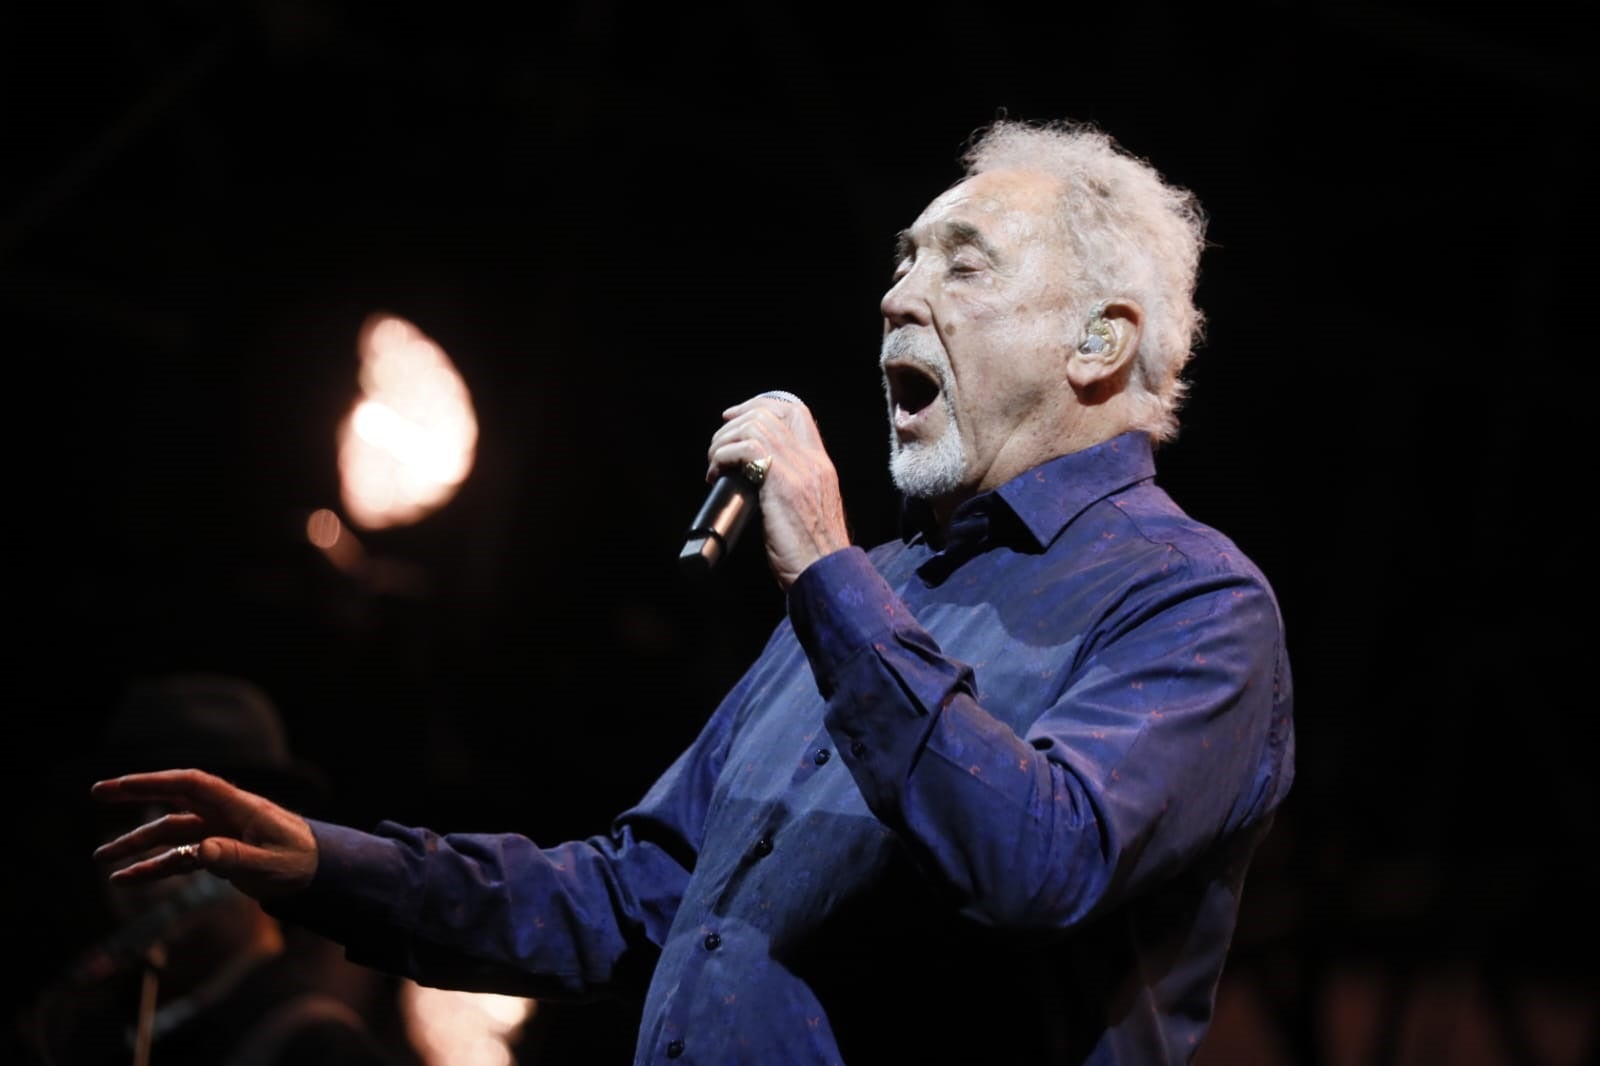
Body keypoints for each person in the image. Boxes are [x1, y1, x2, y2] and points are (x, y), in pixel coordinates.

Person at [90, 117, 1296, 1065]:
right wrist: (330, 864)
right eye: (902, 259)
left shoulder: (1192, 607)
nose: (897, 294)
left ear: (1097, 344)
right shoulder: (864, 595)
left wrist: (823, 569)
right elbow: (633, 895)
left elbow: (1038, 862)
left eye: (961, 265)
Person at [27, 672, 416, 1066]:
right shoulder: (76, 1032)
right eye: (123, 815)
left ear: (263, 837)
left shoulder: (317, 1046)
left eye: (179, 813)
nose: (140, 841)